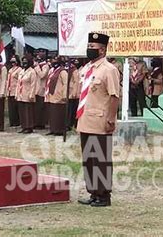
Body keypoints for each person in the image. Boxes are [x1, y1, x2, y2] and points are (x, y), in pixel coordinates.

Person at [77, 32, 120, 207]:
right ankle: (93, 192)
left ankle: (103, 195)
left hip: (100, 120)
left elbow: (114, 96)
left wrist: (111, 118)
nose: (89, 50)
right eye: (88, 47)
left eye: (92, 48)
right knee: (88, 159)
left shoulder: (109, 70)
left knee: (100, 159)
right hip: (85, 119)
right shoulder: (87, 68)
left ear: (102, 50)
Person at [45, 56, 68, 136]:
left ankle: (59, 130)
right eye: (53, 60)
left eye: (55, 60)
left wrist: (64, 95)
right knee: (52, 113)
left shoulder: (63, 71)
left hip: (59, 95)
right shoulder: (52, 71)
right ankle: (53, 129)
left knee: (58, 113)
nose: (54, 62)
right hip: (51, 95)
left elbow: (65, 84)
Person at [16, 56, 37, 134]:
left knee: (28, 111)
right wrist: (16, 93)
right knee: (22, 111)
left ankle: (29, 127)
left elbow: (33, 84)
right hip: (21, 94)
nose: (24, 63)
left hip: (28, 94)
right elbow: (18, 83)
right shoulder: (21, 71)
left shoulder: (32, 72)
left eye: (26, 61)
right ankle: (24, 126)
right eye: (23, 61)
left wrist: (32, 94)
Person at [33, 49, 50, 129]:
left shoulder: (46, 65)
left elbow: (42, 75)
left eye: (42, 52)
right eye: (39, 52)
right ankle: (36, 122)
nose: (40, 53)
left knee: (41, 107)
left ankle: (41, 123)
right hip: (35, 88)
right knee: (36, 108)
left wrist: (37, 68)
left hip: (42, 89)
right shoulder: (37, 64)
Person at [6, 56, 21, 127]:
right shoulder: (10, 70)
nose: (13, 63)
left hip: (16, 90)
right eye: (11, 61)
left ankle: (17, 122)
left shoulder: (19, 69)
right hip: (10, 90)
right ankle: (12, 121)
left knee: (16, 107)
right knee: (11, 107)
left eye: (14, 61)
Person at [67, 58, 80, 130]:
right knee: (68, 109)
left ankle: (70, 124)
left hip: (72, 93)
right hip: (68, 92)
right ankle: (67, 123)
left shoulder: (74, 71)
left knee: (71, 110)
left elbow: (76, 82)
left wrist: (74, 93)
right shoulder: (69, 70)